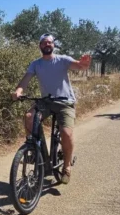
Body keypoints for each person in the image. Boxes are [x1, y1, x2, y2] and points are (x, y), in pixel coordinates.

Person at [11, 33, 91, 184]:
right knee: (29, 117)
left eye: (50, 42)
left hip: (64, 102)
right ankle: (35, 150)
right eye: (44, 42)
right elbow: (25, 81)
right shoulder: (36, 64)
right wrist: (18, 91)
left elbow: (79, 66)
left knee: (66, 133)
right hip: (46, 101)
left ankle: (67, 167)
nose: (47, 44)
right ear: (40, 46)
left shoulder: (63, 60)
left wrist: (84, 64)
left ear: (53, 45)